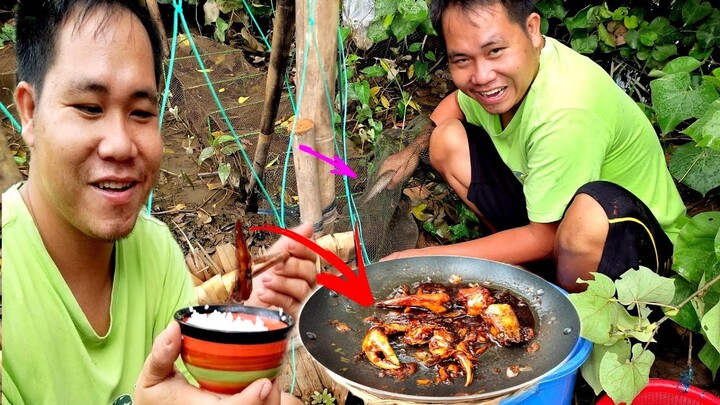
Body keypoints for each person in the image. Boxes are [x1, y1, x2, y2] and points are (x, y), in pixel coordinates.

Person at [1, 1, 316, 404]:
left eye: (141, 112)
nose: (120, 144)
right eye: (89, 108)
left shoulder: (155, 250)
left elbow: (192, 392)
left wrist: (248, 322)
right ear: (29, 113)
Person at [381, 0, 687, 292]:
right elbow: (454, 105)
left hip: (638, 250)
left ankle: (573, 310)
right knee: (444, 140)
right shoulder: (507, 80)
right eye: (462, 59)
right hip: (554, 223)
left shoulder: (566, 110)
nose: (482, 76)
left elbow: (545, 236)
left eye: (495, 50)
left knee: (586, 218)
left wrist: (427, 260)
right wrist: (410, 153)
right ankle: (532, 271)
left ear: (532, 30)